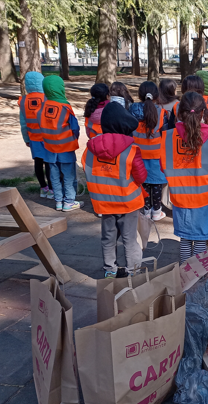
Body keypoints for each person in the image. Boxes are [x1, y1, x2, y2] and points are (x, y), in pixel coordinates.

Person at [82, 102, 147, 278]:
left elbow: (86, 169)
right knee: (129, 239)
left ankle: (109, 270)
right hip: (128, 203)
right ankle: (133, 271)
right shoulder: (131, 150)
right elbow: (141, 176)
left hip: (104, 203)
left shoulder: (90, 149)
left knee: (108, 237)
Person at [159, 92, 208, 264]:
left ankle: (185, 272)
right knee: (201, 239)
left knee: (185, 238)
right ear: (203, 112)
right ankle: (197, 274)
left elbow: (163, 167)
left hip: (180, 198)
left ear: (180, 113)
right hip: (204, 198)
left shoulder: (167, 138)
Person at [39, 76, 83, 212]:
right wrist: (73, 138)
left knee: (54, 176)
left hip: (49, 149)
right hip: (66, 148)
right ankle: (69, 201)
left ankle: (58, 201)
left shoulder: (42, 107)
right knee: (69, 176)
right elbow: (75, 127)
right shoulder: (65, 107)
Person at [131, 81, 170, 220]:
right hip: (156, 154)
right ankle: (156, 211)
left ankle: (145, 210)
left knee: (144, 183)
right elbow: (165, 133)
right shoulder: (161, 112)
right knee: (157, 183)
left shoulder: (132, 110)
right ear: (156, 95)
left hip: (137, 154)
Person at [18, 71, 52, 199]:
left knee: (38, 163)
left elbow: (23, 123)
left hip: (33, 138)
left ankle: (43, 188)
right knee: (49, 163)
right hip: (47, 137)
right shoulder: (47, 98)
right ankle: (52, 189)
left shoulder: (23, 101)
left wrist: (26, 139)